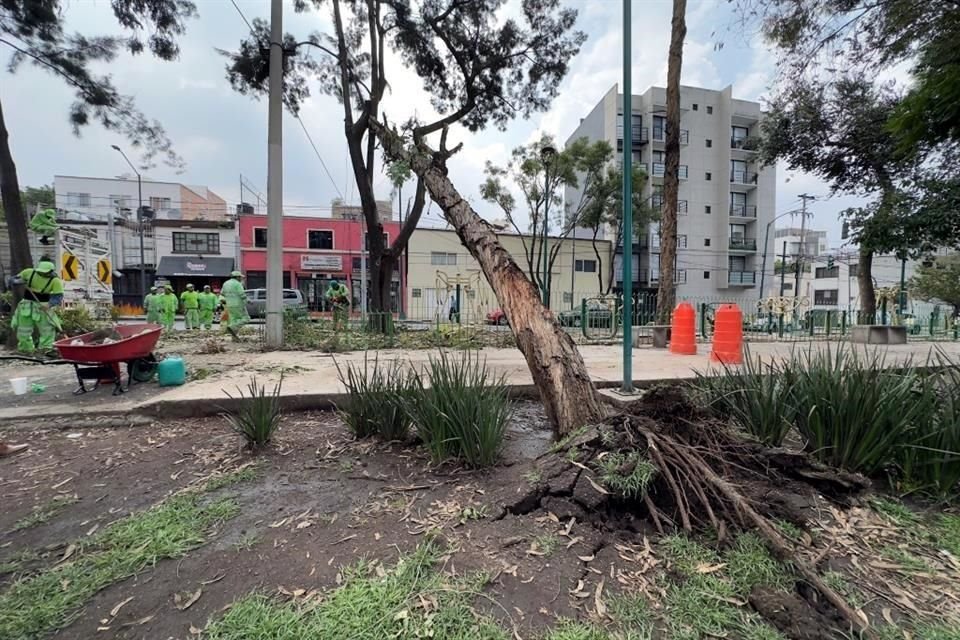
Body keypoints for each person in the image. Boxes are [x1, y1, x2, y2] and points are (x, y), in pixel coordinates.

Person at [9, 259, 64, 354]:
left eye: (45, 273)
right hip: (26, 305)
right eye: (40, 272)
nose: (42, 274)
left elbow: (58, 296)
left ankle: (45, 349)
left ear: (51, 272)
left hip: (43, 306)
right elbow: (13, 279)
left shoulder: (55, 281)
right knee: (23, 330)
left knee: (47, 329)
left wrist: (49, 304)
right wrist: (17, 281)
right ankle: (26, 350)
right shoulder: (29, 272)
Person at [220, 271, 249, 340]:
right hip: (238, 304)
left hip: (229, 305)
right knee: (246, 318)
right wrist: (247, 301)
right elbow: (242, 294)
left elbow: (222, 293)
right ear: (237, 277)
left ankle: (234, 338)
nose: (241, 279)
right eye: (240, 277)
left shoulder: (225, 283)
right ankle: (231, 327)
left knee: (234, 320)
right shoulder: (238, 284)